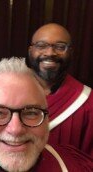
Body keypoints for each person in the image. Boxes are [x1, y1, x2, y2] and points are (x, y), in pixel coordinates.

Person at [26, 23, 93, 156]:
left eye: (60, 47)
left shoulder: (88, 102)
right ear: (30, 51)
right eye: (41, 45)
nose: (50, 53)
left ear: (71, 53)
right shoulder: (9, 92)